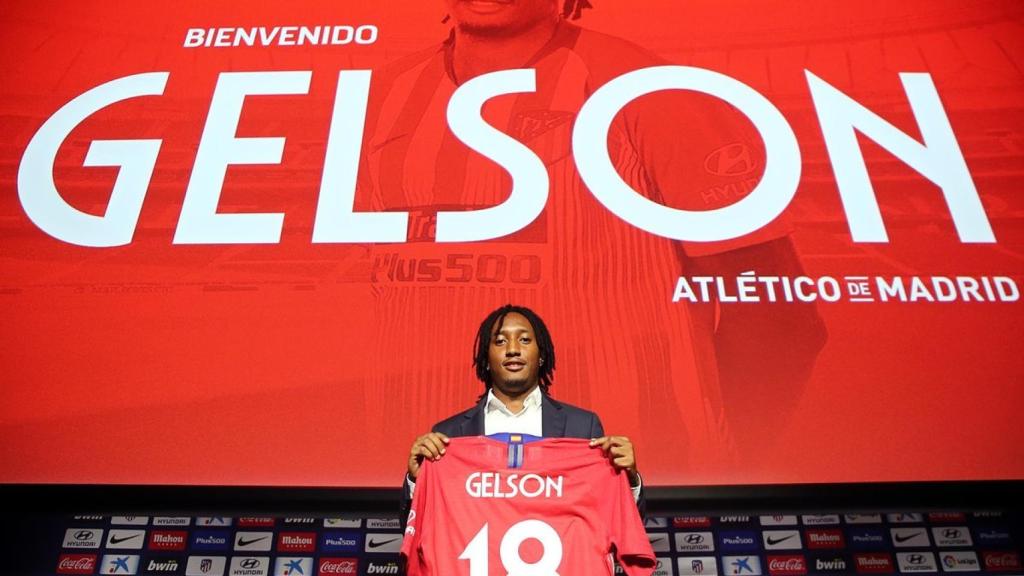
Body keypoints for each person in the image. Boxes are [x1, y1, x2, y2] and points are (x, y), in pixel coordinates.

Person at [366, 0, 827, 481]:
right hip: (433, 487)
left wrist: (728, 472)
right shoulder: (385, 91)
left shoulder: (650, 86)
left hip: (625, 484)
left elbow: (781, 321)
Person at [402, 304, 644, 518]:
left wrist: (629, 480)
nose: (513, 349)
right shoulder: (449, 434)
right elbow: (417, 531)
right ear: (485, 358)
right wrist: (416, 481)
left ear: (541, 356)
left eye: (525, 340)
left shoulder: (581, 426)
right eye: (500, 341)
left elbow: (613, 519)